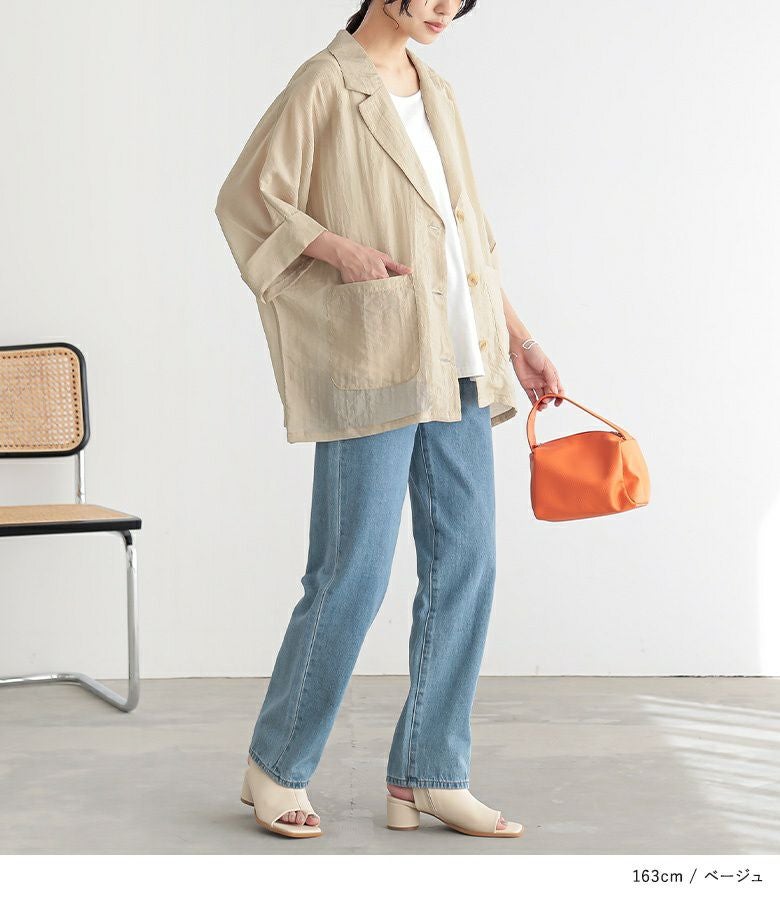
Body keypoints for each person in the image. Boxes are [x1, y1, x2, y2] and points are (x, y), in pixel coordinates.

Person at [215, 0, 564, 839]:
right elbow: (247, 198)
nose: (449, 8)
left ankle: (429, 774)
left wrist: (520, 339)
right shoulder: (325, 82)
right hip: (376, 356)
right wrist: (337, 249)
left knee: (466, 566)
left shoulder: (436, 90)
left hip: (461, 361)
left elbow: (469, 239)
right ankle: (276, 765)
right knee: (353, 571)